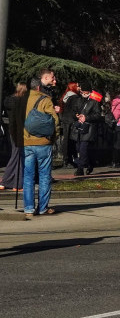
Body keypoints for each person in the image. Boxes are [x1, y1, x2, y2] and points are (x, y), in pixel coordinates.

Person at [22, 69, 59, 219]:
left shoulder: (21, 100)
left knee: (28, 176)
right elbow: (54, 121)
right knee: (44, 175)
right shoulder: (45, 99)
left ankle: (28, 208)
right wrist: (54, 138)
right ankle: (42, 207)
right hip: (43, 143)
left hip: (27, 143)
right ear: (38, 87)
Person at [1, 81, 28, 192]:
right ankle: (14, 182)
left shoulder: (10, 100)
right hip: (20, 130)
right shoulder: (22, 101)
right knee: (19, 155)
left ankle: (8, 181)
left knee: (16, 154)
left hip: (13, 129)